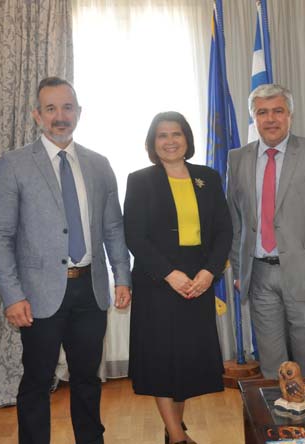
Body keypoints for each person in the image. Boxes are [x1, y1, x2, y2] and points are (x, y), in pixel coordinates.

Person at [0, 77, 132, 444]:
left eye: (67, 107)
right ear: (37, 115)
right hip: (38, 296)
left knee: (87, 379)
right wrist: (13, 296)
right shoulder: (13, 165)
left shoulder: (99, 165)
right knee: (37, 381)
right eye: (50, 108)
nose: (60, 116)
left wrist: (122, 276)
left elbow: (113, 227)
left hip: (91, 292)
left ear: (78, 112)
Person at [226, 83, 305, 379]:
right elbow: (235, 220)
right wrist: (240, 270)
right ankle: (276, 410)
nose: (270, 119)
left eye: (278, 111)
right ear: (254, 118)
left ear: (290, 115)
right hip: (259, 275)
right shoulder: (237, 158)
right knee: (272, 364)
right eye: (262, 112)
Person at [123, 111, 232, 444]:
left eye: (176, 134)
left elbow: (224, 230)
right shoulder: (140, 180)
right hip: (158, 281)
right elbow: (134, 236)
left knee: (185, 362)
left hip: (199, 280)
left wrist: (209, 272)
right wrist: (169, 274)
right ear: (152, 143)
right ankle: (177, 437)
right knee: (161, 361)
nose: (170, 141)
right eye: (162, 135)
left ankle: (174, 432)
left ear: (187, 139)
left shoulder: (208, 177)